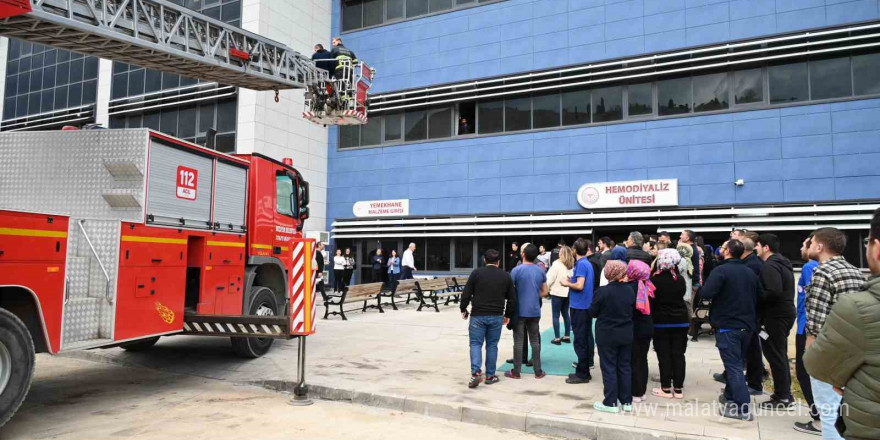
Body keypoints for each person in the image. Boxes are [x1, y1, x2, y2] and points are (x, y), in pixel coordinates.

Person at [804, 208, 880, 440]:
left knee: (829, 414)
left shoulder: (822, 272)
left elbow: (815, 323)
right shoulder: (854, 269)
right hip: (860, 357)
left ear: (819, 246)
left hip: (833, 351)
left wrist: (811, 357)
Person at [700, 239, 761, 421]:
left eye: (723, 248)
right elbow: (761, 294)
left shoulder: (721, 271)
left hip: (728, 325)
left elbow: (706, 293)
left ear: (726, 252)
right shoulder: (750, 272)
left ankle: (742, 408)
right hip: (747, 326)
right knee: (736, 363)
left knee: (733, 366)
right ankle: (730, 397)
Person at [460, 249, 516, 388]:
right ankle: (490, 375)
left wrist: (463, 309)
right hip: (496, 315)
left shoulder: (476, 273)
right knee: (492, 345)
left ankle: (476, 373)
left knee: (475, 344)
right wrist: (507, 315)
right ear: (499, 262)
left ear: (484, 260)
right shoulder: (505, 276)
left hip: (477, 315)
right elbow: (512, 299)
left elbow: (466, 293)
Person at [754, 233, 797, 409]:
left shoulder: (770, 266)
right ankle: (784, 393)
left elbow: (773, 291)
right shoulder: (782, 263)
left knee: (775, 356)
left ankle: (782, 397)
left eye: (757, 245)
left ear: (766, 247)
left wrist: (756, 296)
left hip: (775, 316)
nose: (755, 248)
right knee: (779, 354)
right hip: (783, 314)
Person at [591, 260, 635, 414]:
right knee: (624, 367)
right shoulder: (630, 290)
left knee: (609, 367)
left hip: (607, 334)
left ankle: (610, 402)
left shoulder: (602, 292)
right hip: (626, 334)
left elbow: (593, 312)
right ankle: (626, 401)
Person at [793, 234, 822, 435]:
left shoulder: (809, 267)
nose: (803, 248)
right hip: (810, 328)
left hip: (807, 329)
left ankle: (818, 419)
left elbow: (813, 301)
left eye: (806, 244)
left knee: (805, 373)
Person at [505, 244, 549, 379]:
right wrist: (534, 294)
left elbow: (510, 292)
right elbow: (545, 291)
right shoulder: (540, 270)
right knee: (534, 341)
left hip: (519, 311)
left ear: (523, 254)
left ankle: (516, 372)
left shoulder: (516, 271)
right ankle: (538, 371)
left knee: (518, 342)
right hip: (534, 310)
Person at [650, 249, 689, 399]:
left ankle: (665, 387)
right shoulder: (679, 279)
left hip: (661, 321)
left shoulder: (655, 280)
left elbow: (652, 301)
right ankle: (678, 388)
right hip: (680, 321)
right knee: (679, 354)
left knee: (664, 354)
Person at [561, 238, 595, 384]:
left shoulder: (581, 264)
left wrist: (567, 283)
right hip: (585, 306)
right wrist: (572, 280)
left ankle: (582, 374)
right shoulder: (586, 263)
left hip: (580, 307)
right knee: (585, 339)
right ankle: (584, 370)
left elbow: (580, 286)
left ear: (574, 250)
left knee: (580, 340)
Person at [626, 259, 654, 403]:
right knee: (643, 359)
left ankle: (635, 392)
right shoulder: (648, 286)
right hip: (647, 327)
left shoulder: (630, 287)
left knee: (633, 360)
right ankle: (642, 391)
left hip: (634, 328)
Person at [547, 245, 574, 345]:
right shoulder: (571, 265)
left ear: (561, 254)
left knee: (555, 316)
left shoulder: (556, 264)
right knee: (566, 314)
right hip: (567, 293)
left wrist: (547, 289)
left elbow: (549, 279)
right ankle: (567, 336)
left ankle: (557, 338)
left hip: (557, 293)